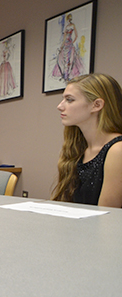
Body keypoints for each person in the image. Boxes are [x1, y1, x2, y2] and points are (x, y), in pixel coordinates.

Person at [51, 73, 122, 207]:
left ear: (96, 105)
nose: (60, 106)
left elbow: (106, 218)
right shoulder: (79, 147)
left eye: (69, 100)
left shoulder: (117, 150)